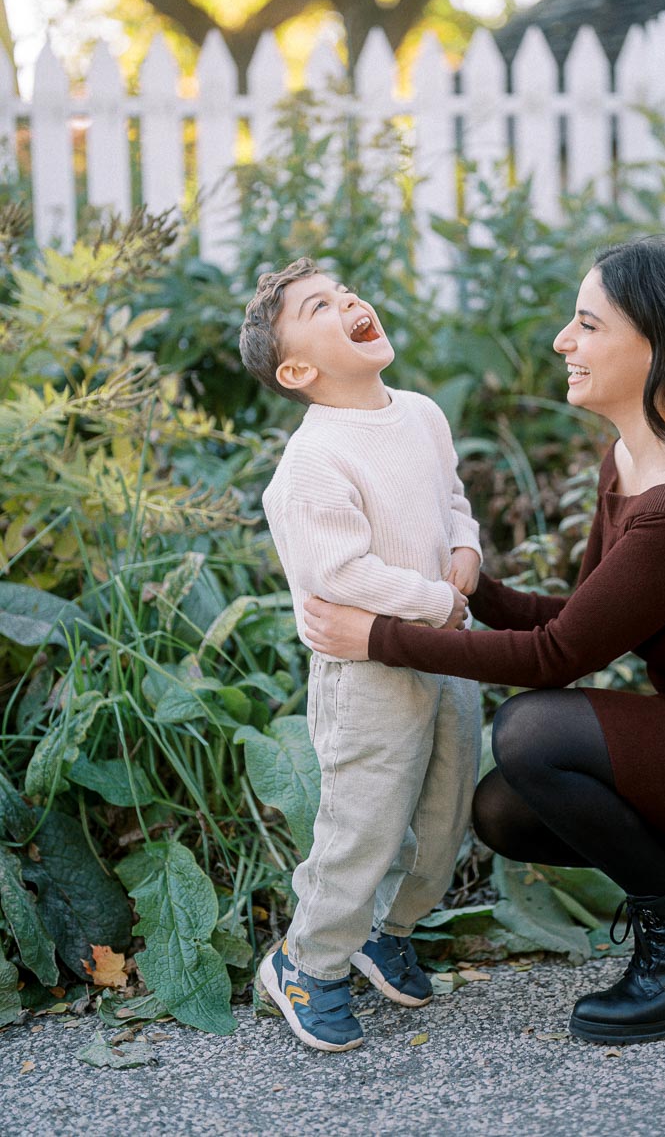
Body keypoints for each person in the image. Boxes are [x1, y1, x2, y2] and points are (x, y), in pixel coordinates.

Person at [303, 237, 665, 1047]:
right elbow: (585, 617)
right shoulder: (634, 459)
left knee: (534, 730)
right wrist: (466, 591)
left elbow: (559, 658)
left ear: (659, 348)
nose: (561, 342)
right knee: (506, 809)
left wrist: (380, 636)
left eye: (586, 324)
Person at [238, 257, 481, 1052]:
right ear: (299, 368)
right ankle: (309, 963)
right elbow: (336, 574)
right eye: (319, 305)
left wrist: (466, 549)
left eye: (344, 291)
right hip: (369, 671)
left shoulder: (419, 414)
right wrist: (439, 601)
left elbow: (452, 500)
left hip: (449, 654)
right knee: (364, 823)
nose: (347, 301)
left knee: (448, 809)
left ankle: (390, 931)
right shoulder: (312, 464)